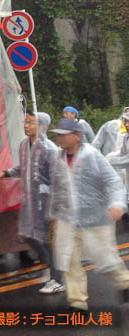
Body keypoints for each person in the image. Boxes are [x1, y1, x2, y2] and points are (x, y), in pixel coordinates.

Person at [47, 117, 129, 311]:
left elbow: (113, 182)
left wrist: (117, 204)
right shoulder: (58, 159)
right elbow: (57, 188)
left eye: (64, 134)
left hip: (95, 219)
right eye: (58, 135)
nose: (60, 138)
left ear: (76, 136)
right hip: (68, 219)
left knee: (106, 259)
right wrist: (53, 213)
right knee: (69, 260)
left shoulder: (91, 155)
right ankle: (77, 302)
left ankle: (125, 282)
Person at [0, 111, 63, 294]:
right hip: (31, 200)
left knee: (48, 241)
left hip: (46, 201)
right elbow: (23, 168)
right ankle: (50, 266)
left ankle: (57, 279)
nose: (26, 125)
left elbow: (58, 180)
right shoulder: (24, 145)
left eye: (30, 122)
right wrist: (6, 173)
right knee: (28, 236)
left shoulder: (50, 149)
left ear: (41, 127)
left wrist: (54, 209)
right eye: (26, 121)